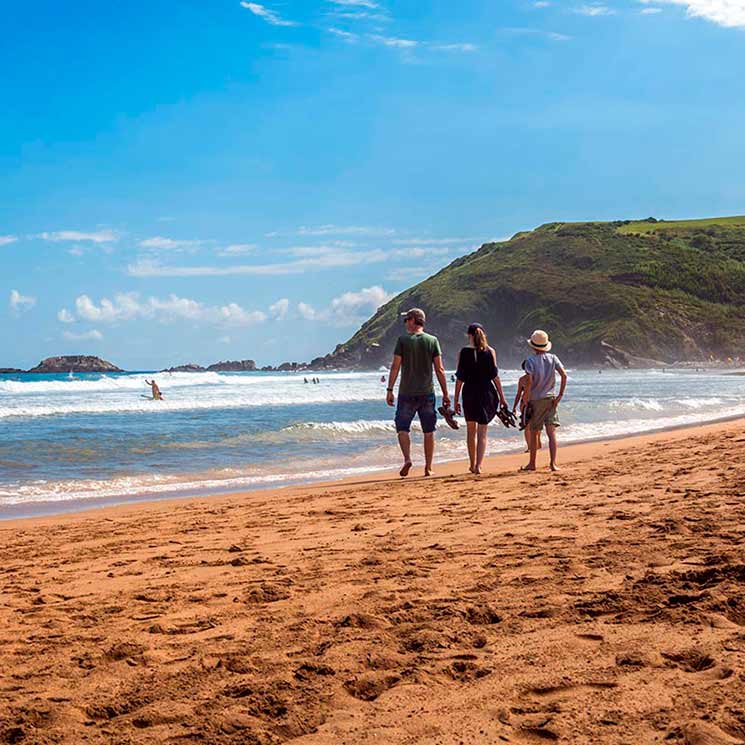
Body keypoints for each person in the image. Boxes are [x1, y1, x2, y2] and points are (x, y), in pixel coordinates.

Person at [386, 307, 450, 477]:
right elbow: (440, 369)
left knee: (402, 428)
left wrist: (390, 389)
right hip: (427, 393)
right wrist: (445, 393)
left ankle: (407, 459)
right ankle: (428, 468)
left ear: (414, 320)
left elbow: (395, 366)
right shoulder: (432, 340)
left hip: (406, 392)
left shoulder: (403, 340)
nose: (405, 323)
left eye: (407, 319)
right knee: (428, 431)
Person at [453, 323, 508, 474]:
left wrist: (456, 400)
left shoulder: (463, 352)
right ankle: (479, 465)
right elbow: (495, 377)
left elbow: (460, 378)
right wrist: (502, 398)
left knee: (471, 431)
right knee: (482, 432)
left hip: (469, 392)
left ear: (468, 335)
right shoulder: (490, 352)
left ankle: (472, 464)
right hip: (486, 392)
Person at [521, 330, 567, 472]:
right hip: (551, 398)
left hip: (536, 399)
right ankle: (553, 464)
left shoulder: (530, 361)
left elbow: (529, 381)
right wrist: (559, 395)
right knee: (551, 432)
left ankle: (532, 463)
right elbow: (564, 375)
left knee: (534, 432)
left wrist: (525, 399)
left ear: (533, 347)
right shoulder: (553, 358)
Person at [513, 361, 541, 453]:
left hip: (527, 403)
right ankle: (533, 446)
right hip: (531, 402)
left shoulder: (523, 379)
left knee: (528, 426)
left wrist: (514, 407)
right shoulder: (537, 378)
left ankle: (532, 446)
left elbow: (518, 394)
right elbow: (518, 394)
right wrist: (514, 407)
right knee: (532, 425)